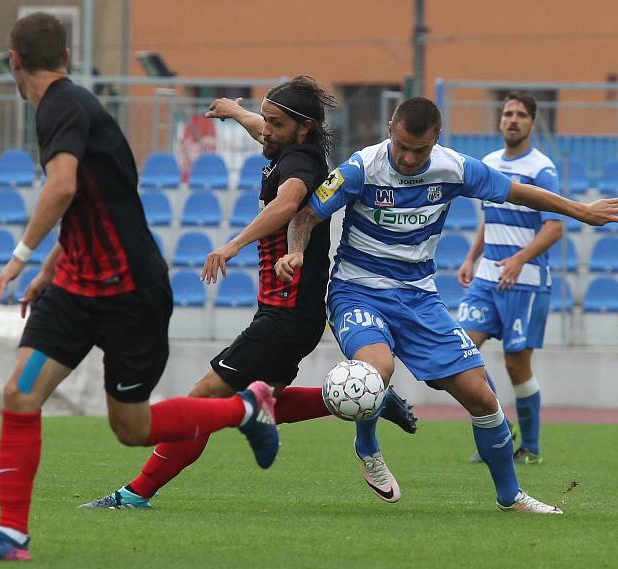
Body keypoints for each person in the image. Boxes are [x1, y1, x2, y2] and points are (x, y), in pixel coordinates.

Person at [0, 13, 279, 562]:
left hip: (131, 295)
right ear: (69, 58)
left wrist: (17, 260)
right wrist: (52, 269)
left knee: (133, 427)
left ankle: (246, 408)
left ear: (14, 61)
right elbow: (95, 201)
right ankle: (11, 536)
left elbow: (62, 187)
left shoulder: (59, 106)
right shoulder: (73, 108)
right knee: (19, 394)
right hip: (77, 290)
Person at [275, 96, 618, 514]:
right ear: (390, 128)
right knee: (377, 369)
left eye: (420, 150)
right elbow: (305, 216)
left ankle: (510, 496)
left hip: (419, 297)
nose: (409, 158)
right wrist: (295, 251)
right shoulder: (362, 167)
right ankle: (367, 446)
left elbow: (520, 193)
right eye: (402, 146)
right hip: (359, 290)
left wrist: (581, 211)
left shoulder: (455, 167)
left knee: (483, 397)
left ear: (436, 140)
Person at [79, 77, 418, 511]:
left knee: (205, 398)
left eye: (275, 123)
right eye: (267, 120)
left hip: (286, 315)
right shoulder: (288, 144)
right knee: (265, 404)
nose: (266, 130)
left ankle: (136, 493)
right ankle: (365, 397)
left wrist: (231, 245)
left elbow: (286, 203)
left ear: (303, 128)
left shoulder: (300, 164)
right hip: (289, 312)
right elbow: (262, 128)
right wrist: (236, 112)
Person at [457, 92, 561, 465]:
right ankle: (501, 427)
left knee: (517, 364)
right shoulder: (488, 163)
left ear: (532, 123)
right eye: (507, 114)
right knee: (461, 350)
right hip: (487, 278)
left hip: (527, 280)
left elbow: (554, 227)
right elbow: (490, 218)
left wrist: (518, 259)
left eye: (520, 115)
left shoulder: (542, 168)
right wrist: (472, 256)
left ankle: (530, 448)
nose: (512, 120)